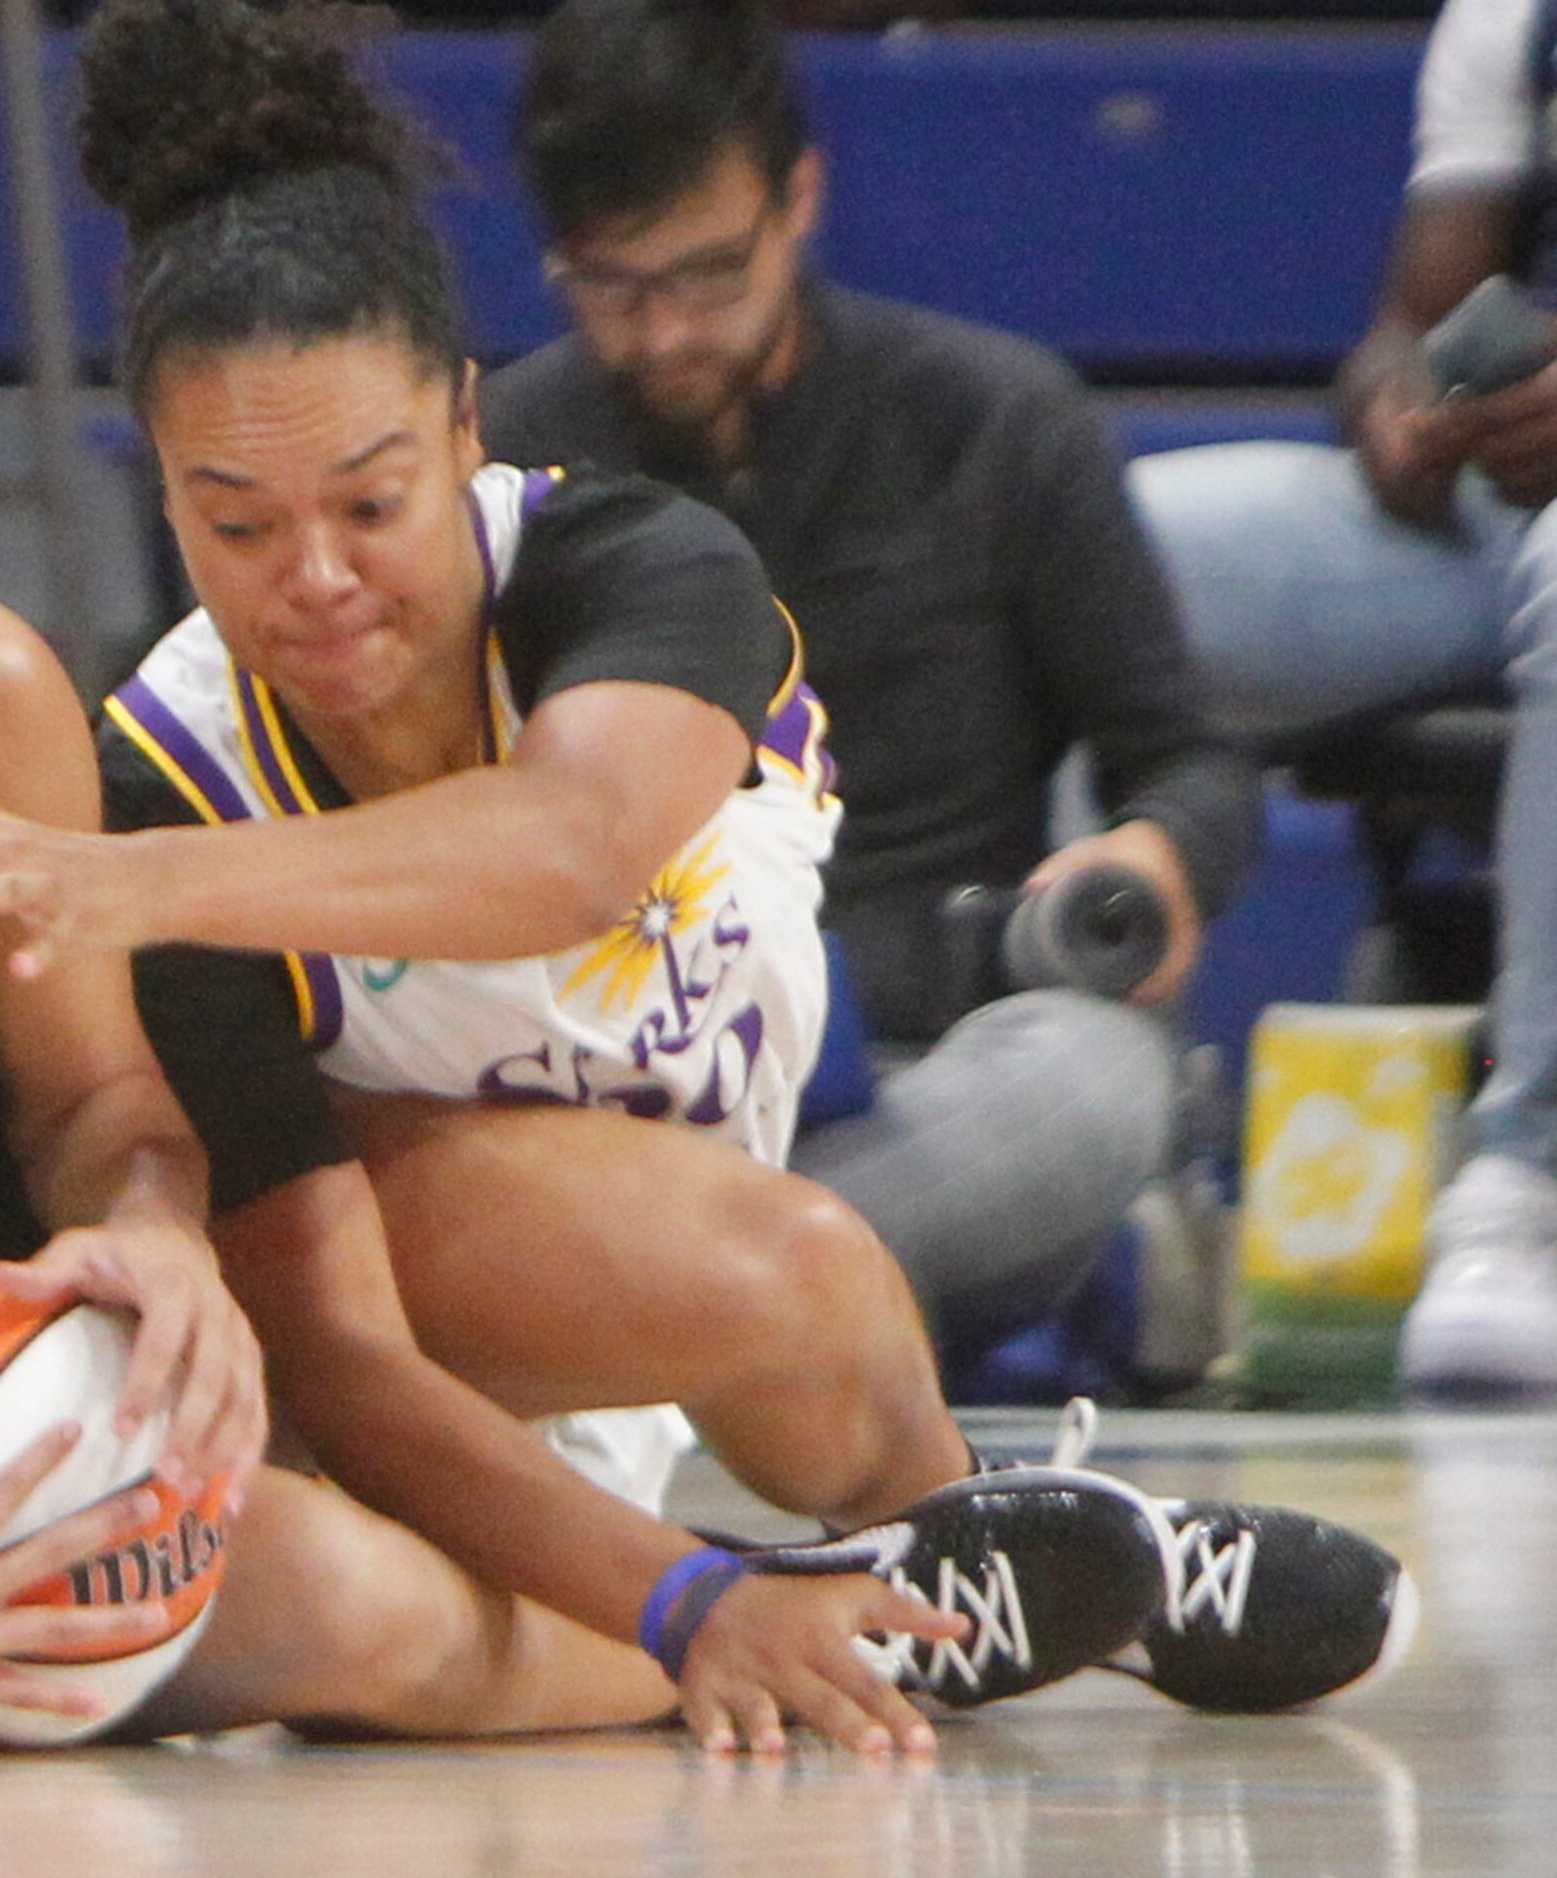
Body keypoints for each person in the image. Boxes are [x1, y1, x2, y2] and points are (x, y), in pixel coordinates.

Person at [0, 0, 1413, 1732]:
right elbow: (345, 1350)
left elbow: (575, 850)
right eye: (236, 523)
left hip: (744, 1195)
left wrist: (146, 890)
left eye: (369, 504)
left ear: (460, 428)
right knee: (735, 1319)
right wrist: (681, 1603)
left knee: (858, 1246)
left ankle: (950, 1556)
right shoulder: (162, 778)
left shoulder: (642, 565)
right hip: (420, 1334)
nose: (315, 577)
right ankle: (903, 1582)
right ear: (167, 498)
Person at [0, 320, 1114, 1752]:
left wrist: (152, 1230)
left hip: (69, 1400)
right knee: (350, 1601)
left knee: (773, 1268)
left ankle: (884, 1599)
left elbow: (99, 1103)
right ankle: (794, 1633)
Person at [465, 0, 1260, 1364]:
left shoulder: (995, 419)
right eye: (611, 286)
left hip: (933, 1059)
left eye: (709, 277)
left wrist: (1157, 853)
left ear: (800, 201)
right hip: (625, 1056)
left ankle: (654, 1308)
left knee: (1094, 1080)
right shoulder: (504, 464)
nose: (662, 335)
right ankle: (725, 1304)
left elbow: (1187, 757)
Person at [1127, 0, 1557, 1396]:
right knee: (1114, 547)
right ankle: (1121, 1188)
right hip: (1499, 517)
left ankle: (1527, 1186)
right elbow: (1406, 328)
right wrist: (1403, 413)